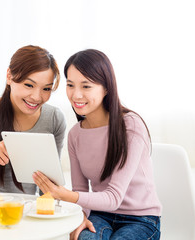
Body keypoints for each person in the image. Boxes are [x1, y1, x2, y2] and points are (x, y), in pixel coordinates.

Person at [32, 49, 162, 240]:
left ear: (106, 88)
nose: (76, 95)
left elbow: (113, 197)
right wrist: (82, 216)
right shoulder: (75, 135)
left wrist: (65, 195)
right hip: (100, 214)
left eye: (86, 86)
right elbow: (81, 191)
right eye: (70, 85)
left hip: (141, 219)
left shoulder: (130, 125)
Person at [0, 45, 66, 195]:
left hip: (29, 210)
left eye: (46, 89)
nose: (37, 97)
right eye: (29, 85)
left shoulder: (54, 119)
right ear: (9, 76)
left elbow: (48, 189)